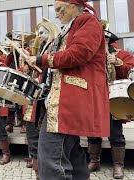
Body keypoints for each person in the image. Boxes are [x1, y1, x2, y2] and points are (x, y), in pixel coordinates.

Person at [25, 0, 110, 179]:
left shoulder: (88, 21)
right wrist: (36, 63)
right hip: (64, 99)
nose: (56, 15)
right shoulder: (70, 27)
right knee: (71, 154)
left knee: (50, 157)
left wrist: (41, 59)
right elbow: (61, 63)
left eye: (59, 9)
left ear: (72, 4)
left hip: (68, 101)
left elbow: (79, 53)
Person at [87, 28, 134, 179]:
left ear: (107, 40)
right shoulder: (91, 55)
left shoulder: (121, 54)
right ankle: (94, 161)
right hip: (94, 98)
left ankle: (118, 166)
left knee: (115, 134)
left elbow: (131, 71)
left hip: (113, 98)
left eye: (104, 39)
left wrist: (119, 63)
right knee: (92, 133)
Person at [21, 18, 60, 177]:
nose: (40, 36)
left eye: (42, 32)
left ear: (51, 31)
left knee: (48, 141)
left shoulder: (54, 47)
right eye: (38, 33)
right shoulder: (42, 49)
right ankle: (39, 170)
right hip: (39, 98)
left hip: (52, 99)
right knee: (34, 134)